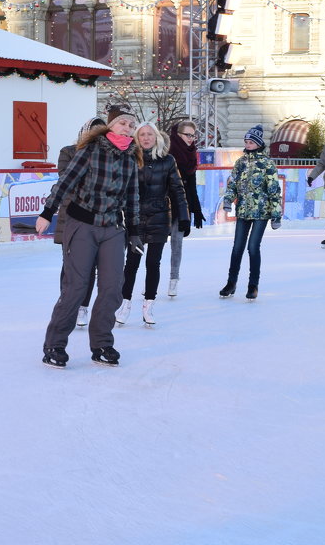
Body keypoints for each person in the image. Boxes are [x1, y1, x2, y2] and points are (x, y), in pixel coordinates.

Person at [36, 106, 142, 368]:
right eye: (122, 123)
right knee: (76, 287)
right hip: (82, 224)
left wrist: (136, 231)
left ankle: (102, 342)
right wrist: (47, 212)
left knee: (112, 287)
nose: (127, 128)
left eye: (131, 125)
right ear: (110, 126)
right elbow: (66, 182)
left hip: (113, 228)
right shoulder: (91, 150)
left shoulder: (130, 159)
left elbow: (132, 198)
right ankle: (55, 344)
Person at [116, 122, 189, 326]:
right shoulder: (129, 159)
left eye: (150, 134)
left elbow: (177, 190)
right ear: (136, 139)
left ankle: (149, 305)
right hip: (135, 218)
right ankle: (125, 303)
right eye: (142, 135)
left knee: (153, 263)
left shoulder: (167, 160)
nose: (146, 138)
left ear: (156, 137)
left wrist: (183, 216)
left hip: (159, 216)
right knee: (131, 263)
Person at [219, 125, 282, 300]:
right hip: (243, 211)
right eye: (246, 142)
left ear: (258, 144)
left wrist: (276, 215)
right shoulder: (241, 162)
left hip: (261, 213)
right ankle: (231, 283)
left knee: (253, 248)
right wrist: (228, 200)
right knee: (237, 248)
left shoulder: (267, 163)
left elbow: (274, 190)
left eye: (251, 142)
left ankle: (253, 285)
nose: (247, 145)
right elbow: (233, 184)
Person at [53, 117, 105, 326]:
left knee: (89, 265)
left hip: (95, 218)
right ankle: (66, 303)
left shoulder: (106, 156)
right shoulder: (68, 152)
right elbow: (68, 180)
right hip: (70, 216)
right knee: (69, 265)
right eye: (91, 132)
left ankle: (82, 306)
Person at [167, 120, 204, 296]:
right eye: (187, 135)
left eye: (193, 135)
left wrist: (196, 210)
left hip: (182, 206)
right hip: (164, 205)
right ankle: (151, 280)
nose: (191, 139)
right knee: (155, 244)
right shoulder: (167, 152)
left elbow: (191, 186)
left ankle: (174, 279)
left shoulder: (191, 155)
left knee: (177, 243)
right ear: (178, 134)